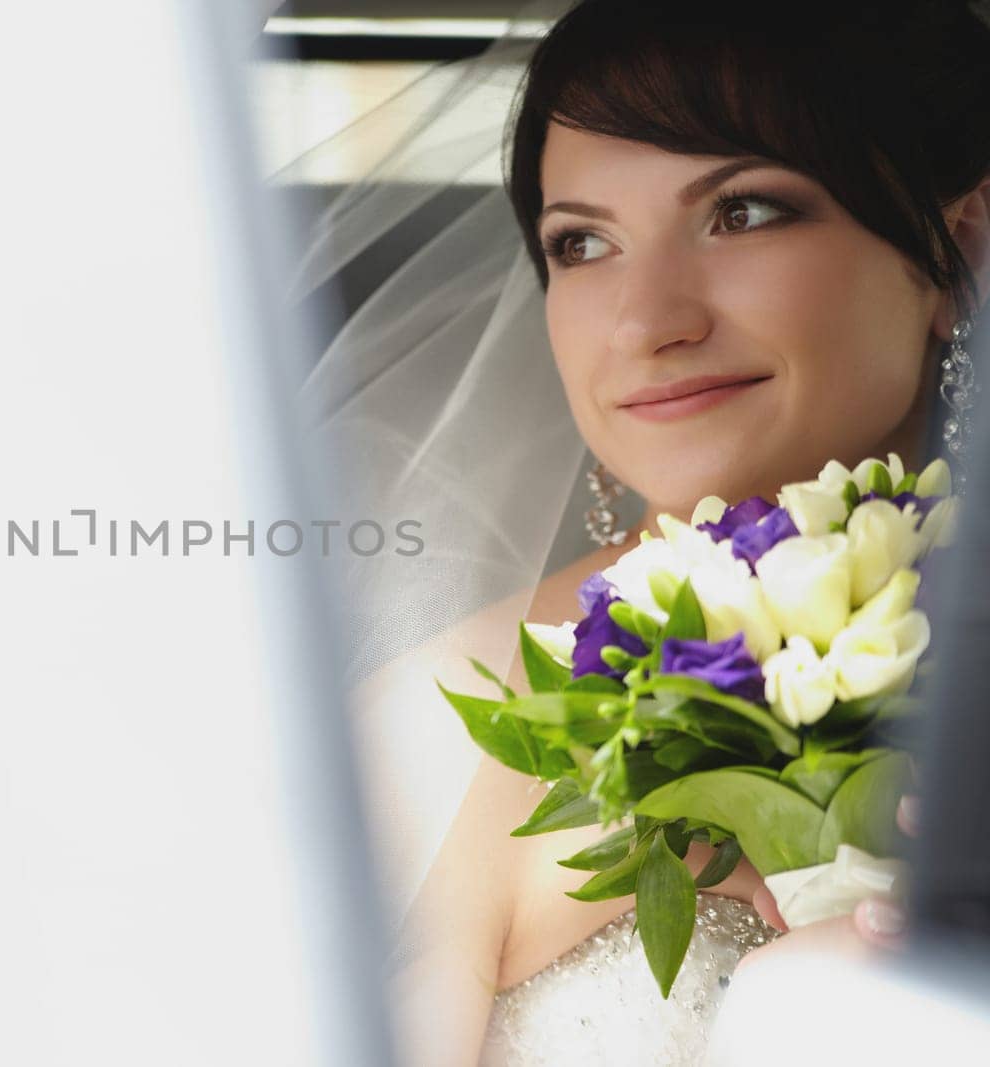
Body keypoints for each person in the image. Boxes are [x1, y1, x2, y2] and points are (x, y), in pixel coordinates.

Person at [284, 1, 990, 1062]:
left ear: (959, 247)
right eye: (582, 242)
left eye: (743, 212)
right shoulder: (437, 730)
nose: (647, 321)